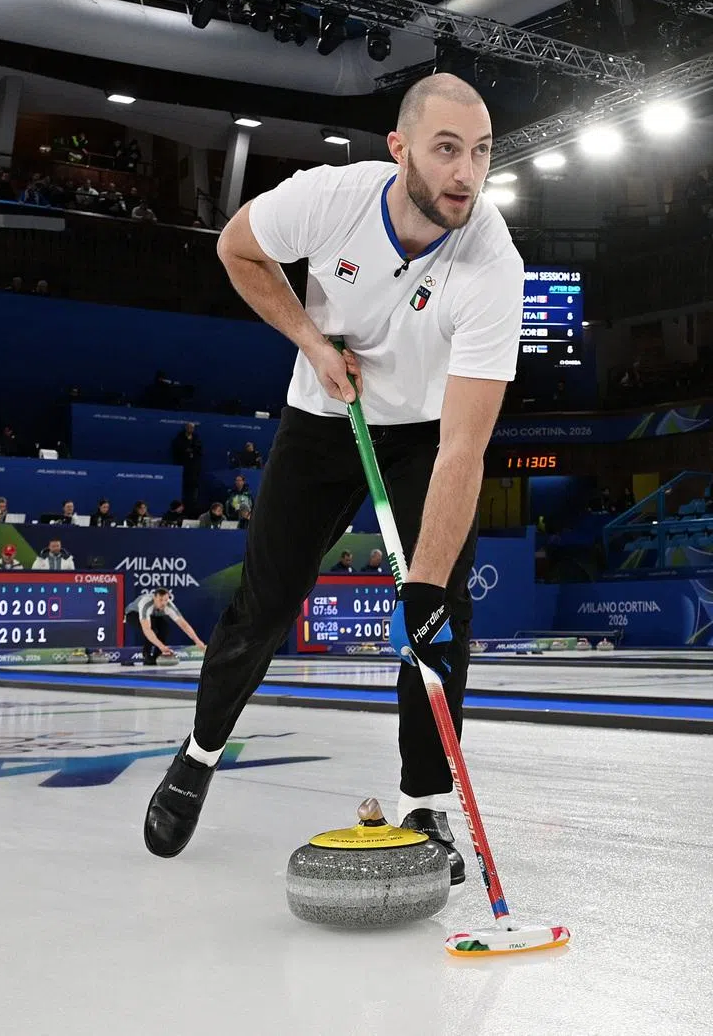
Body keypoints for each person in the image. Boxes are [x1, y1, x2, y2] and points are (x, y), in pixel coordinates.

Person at [144, 74, 523, 881]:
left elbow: (464, 448)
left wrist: (421, 593)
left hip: (425, 434)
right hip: (322, 417)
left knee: (439, 621)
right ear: (400, 149)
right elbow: (236, 249)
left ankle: (428, 806)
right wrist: (313, 342)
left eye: (482, 153)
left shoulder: (494, 262)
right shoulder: (330, 198)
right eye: (447, 149)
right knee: (266, 603)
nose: (467, 172)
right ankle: (201, 751)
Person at [125, 587, 205, 667]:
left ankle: (157, 656)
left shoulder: (169, 605)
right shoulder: (146, 604)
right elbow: (147, 629)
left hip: (153, 615)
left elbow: (184, 625)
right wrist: (161, 646)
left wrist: (197, 641)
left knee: (165, 628)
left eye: (166, 600)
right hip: (133, 614)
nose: (163, 603)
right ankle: (147, 656)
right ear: (154, 598)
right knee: (153, 629)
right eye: (160, 600)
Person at [171, 422, 203, 510]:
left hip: (193, 469)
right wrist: (186, 450)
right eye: (189, 427)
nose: (190, 429)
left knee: (192, 490)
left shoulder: (196, 438)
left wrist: (192, 451)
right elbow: (177, 449)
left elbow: (199, 450)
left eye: (192, 428)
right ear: (186, 428)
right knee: (182, 488)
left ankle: (191, 507)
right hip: (182, 467)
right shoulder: (179, 438)